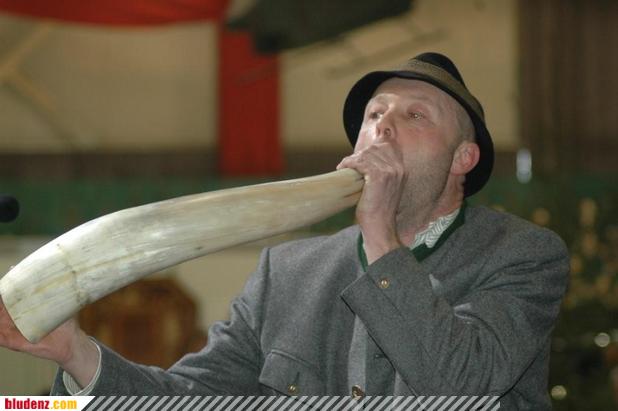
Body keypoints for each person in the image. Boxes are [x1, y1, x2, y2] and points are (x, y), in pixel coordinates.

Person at [0, 52, 569, 408]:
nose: (382, 128)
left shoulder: (521, 255)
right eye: (374, 115)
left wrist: (379, 235)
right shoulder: (288, 272)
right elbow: (192, 400)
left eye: (415, 115)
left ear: (463, 158)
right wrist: (76, 354)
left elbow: (461, 384)